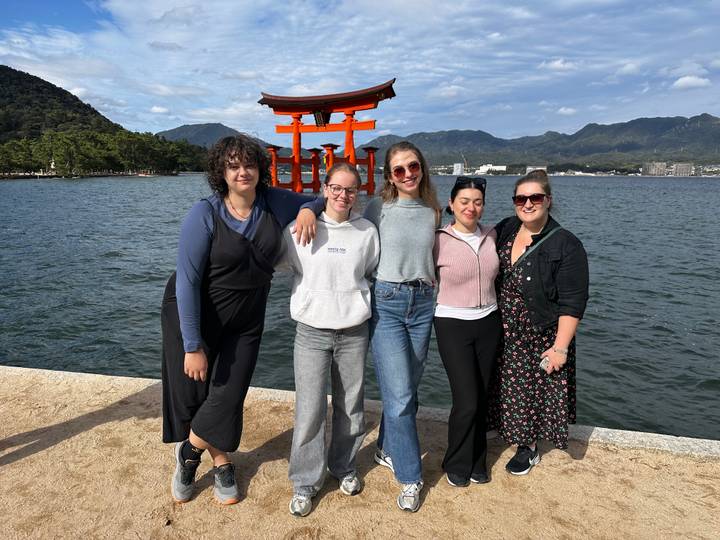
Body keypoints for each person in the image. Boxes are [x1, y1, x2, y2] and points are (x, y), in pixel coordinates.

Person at [161, 134, 321, 505]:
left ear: (260, 168)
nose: (242, 172)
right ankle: (220, 461)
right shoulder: (205, 213)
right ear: (222, 171)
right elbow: (187, 281)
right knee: (198, 391)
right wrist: (192, 344)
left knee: (230, 389)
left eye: (248, 164)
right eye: (233, 165)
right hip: (198, 311)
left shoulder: (274, 200)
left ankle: (188, 451)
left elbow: (321, 197)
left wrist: (309, 209)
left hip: (248, 313)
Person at [281, 163, 380, 517]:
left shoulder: (367, 231)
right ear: (324, 188)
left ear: (358, 194)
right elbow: (286, 264)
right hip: (311, 330)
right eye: (336, 188)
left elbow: (369, 271)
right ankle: (305, 481)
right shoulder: (299, 229)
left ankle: (344, 466)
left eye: (350, 190)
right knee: (309, 409)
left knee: (350, 405)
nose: (343, 195)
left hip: (354, 330)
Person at [489, 169, 589, 475]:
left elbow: (573, 302)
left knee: (531, 391)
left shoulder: (565, 244)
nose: (528, 203)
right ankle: (500, 425)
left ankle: (528, 446)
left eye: (535, 197)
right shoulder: (507, 228)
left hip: (539, 332)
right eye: (521, 198)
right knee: (502, 384)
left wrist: (560, 347)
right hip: (503, 327)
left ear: (548, 200)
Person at [363, 141, 441, 512]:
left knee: (407, 389)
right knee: (400, 395)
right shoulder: (379, 207)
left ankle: (385, 448)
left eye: (413, 166)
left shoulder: (433, 210)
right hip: (388, 303)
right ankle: (410, 477)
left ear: (422, 168)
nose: (408, 174)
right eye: (399, 170)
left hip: (423, 303)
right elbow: (347, 225)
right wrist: (309, 212)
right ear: (389, 177)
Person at [432, 176, 501, 487]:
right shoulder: (438, 239)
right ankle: (456, 462)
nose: (471, 207)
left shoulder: (493, 235)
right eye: (464, 201)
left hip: (489, 321)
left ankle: (477, 460)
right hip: (451, 323)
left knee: (482, 395)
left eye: (477, 202)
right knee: (466, 398)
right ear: (451, 205)